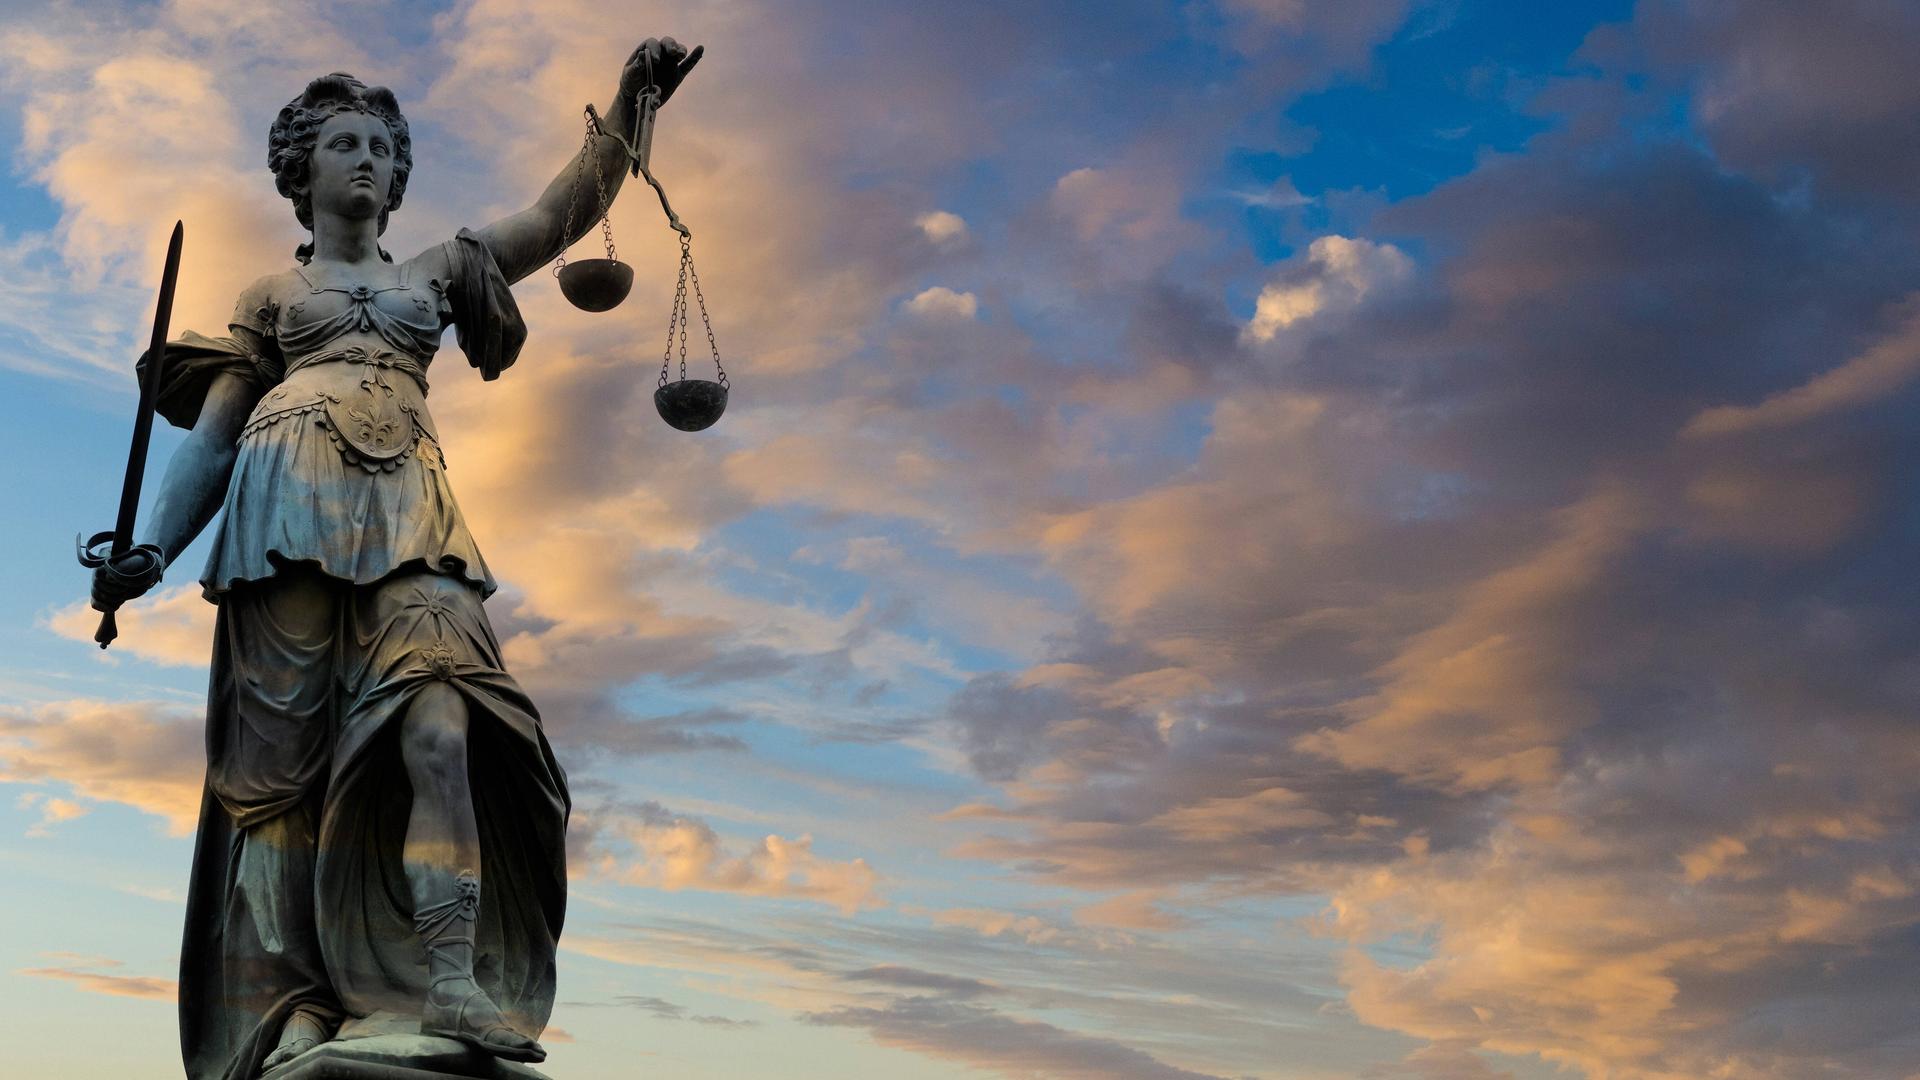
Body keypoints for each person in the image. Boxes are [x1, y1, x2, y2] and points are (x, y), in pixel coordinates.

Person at [89, 38, 702, 1080]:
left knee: (447, 716)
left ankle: (451, 974)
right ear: (303, 171)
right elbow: (214, 437)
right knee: (279, 780)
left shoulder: (438, 271)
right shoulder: (270, 295)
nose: (366, 158)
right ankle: (287, 1007)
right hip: (282, 510)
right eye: (343, 143)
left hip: (412, 509)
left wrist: (632, 114)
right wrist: (149, 549)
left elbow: (556, 220)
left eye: (380, 144)